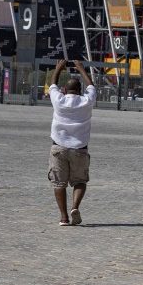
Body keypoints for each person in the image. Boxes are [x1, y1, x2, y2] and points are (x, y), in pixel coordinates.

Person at [47, 59, 97, 226]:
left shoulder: (58, 100)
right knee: (80, 181)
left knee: (59, 183)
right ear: (80, 90)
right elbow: (91, 87)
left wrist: (58, 69)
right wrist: (81, 69)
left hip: (58, 146)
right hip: (79, 148)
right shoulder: (86, 101)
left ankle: (63, 217)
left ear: (64, 90)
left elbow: (52, 85)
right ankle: (74, 207)